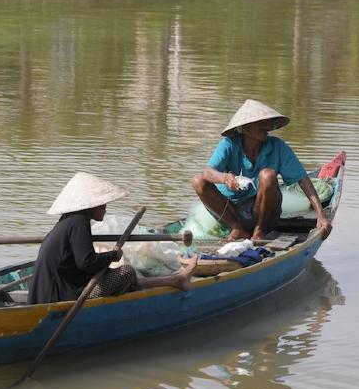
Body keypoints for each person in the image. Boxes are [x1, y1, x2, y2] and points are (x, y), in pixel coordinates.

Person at [28, 172, 197, 305]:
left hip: (56, 291)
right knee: (126, 272)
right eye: (102, 205)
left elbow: (81, 262)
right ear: (92, 205)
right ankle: (176, 280)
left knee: (115, 275)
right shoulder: (79, 221)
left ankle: (176, 280)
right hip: (60, 297)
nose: (105, 209)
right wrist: (113, 255)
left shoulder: (68, 221)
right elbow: (86, 262)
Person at [191, 99, 332, 241]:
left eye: (268, 122)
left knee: (268, 175)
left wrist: (321, 215)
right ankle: (237, 229)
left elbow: (303, 180)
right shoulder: (229, 145)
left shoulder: (278, 147)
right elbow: (208, 172)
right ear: (245, 128)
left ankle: (259, 231)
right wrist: (224, 178)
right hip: (231, 212)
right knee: (198, 181)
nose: (267, 127)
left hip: (263, 214)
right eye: (260, 123)